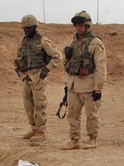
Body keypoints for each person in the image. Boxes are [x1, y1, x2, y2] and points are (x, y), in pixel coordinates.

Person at [62, 11, 107, 149]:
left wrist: (98, 88)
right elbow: (67, 66)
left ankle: (92, 139)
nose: (78, 28)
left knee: (91, 114)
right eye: (76, 25)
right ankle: (74, 140)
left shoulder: (95, 43)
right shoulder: (74, 42)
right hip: (74, 85)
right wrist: (67, 56)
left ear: (87, 25)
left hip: (89, 85)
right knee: (72, 114)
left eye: (81, 25)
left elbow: (101, 67)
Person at [14, 14, 60, 143]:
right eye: (25, 28)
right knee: (28, 104)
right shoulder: (22, 41)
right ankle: (34, 128)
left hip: (38, 76)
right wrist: (18, 68)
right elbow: (18, 57)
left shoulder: (43, 40)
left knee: (39, 104)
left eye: (29, 28)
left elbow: (57, 56)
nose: (26, 31)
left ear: (35, 27)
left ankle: (41, 131)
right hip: (26, 76)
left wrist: (46, 70)